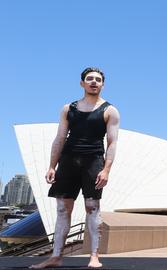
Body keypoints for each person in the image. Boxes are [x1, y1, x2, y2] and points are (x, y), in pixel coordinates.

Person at [31, 67, 120, 269]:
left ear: (103, 84)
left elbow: (112, 143)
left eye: (98, 79)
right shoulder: (68, 108)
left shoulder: (110, 110)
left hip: (94, 162)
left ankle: (94, 256)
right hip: (68, 161)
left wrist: (106, 170)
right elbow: (60, 137)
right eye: (90, 79)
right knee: (63, 209)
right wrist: (52, 165)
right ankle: (56, 256)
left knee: (92, 208)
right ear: (82, 83)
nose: (94, 82)